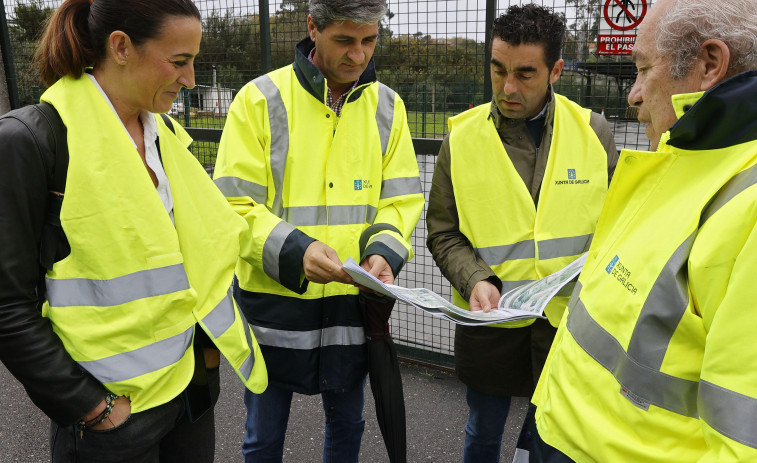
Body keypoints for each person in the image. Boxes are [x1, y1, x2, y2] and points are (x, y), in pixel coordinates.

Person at [0, 0, 268, 461]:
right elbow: (6, 307)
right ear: (121, 47)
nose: (190, 78)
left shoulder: (166, 136)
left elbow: (196, 255)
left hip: (188, 396)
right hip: (111, 418)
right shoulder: (31, 142)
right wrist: (91, 408)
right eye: (179, 61)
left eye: (194, 61)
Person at [513, 0, 757, 461]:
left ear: (709, 64)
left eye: (644, 69)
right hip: (555, 426)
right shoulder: (677, 161)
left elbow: (742, 443)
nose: (634, 94)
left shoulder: (743, 205)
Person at [212, 0, 424, 461]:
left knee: (348, 427)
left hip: (352, 304)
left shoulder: (389, 107)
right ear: (313, 27)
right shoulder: (258, 100)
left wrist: (382, 254)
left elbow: (400, 199)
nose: (359, 55)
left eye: (369, 40)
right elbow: (231, 206)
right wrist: (296, 251)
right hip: (275, 308)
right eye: (345, 40)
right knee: (262, 437)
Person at [425, 5, 617, 462]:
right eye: (498, 70)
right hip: (490, 322)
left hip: (568, 326)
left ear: (555, 70)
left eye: (525, 74)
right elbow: (443, 232)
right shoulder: (462, 137)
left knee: (552, 438)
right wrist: (475, 281)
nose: (508, 87)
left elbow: (617, 229)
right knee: (484, 433)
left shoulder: (595, 132)